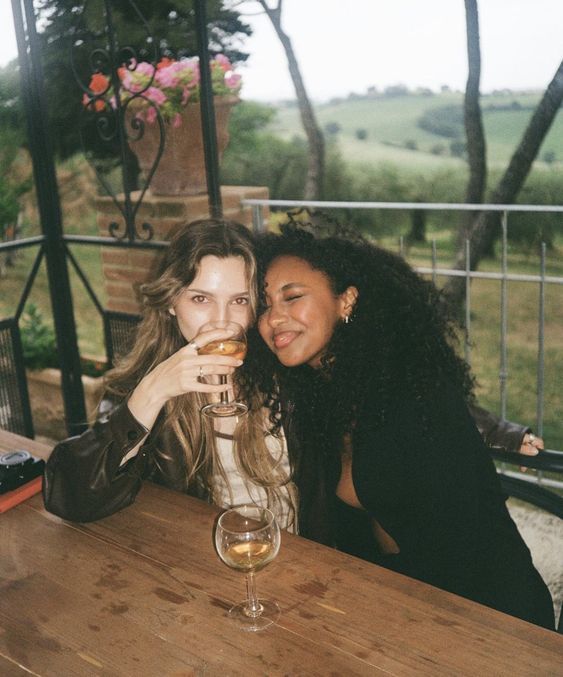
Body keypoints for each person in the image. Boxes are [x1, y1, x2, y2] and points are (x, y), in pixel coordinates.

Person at [246, 222, 554, 630]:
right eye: (264, 305)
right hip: (397, 603)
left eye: (293, 297)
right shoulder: (320, 393)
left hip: (486, 615)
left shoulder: (409, 393)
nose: (274, 319)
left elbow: (462, 544)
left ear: (347, 301)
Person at [43, 219, 297, 530]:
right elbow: (71, 498)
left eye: (239, 300)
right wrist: (152, 393)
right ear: (172, 302)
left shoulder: (283, 371)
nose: (222, 320)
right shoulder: (143, 385)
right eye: (201, 298)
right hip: (203, 559)